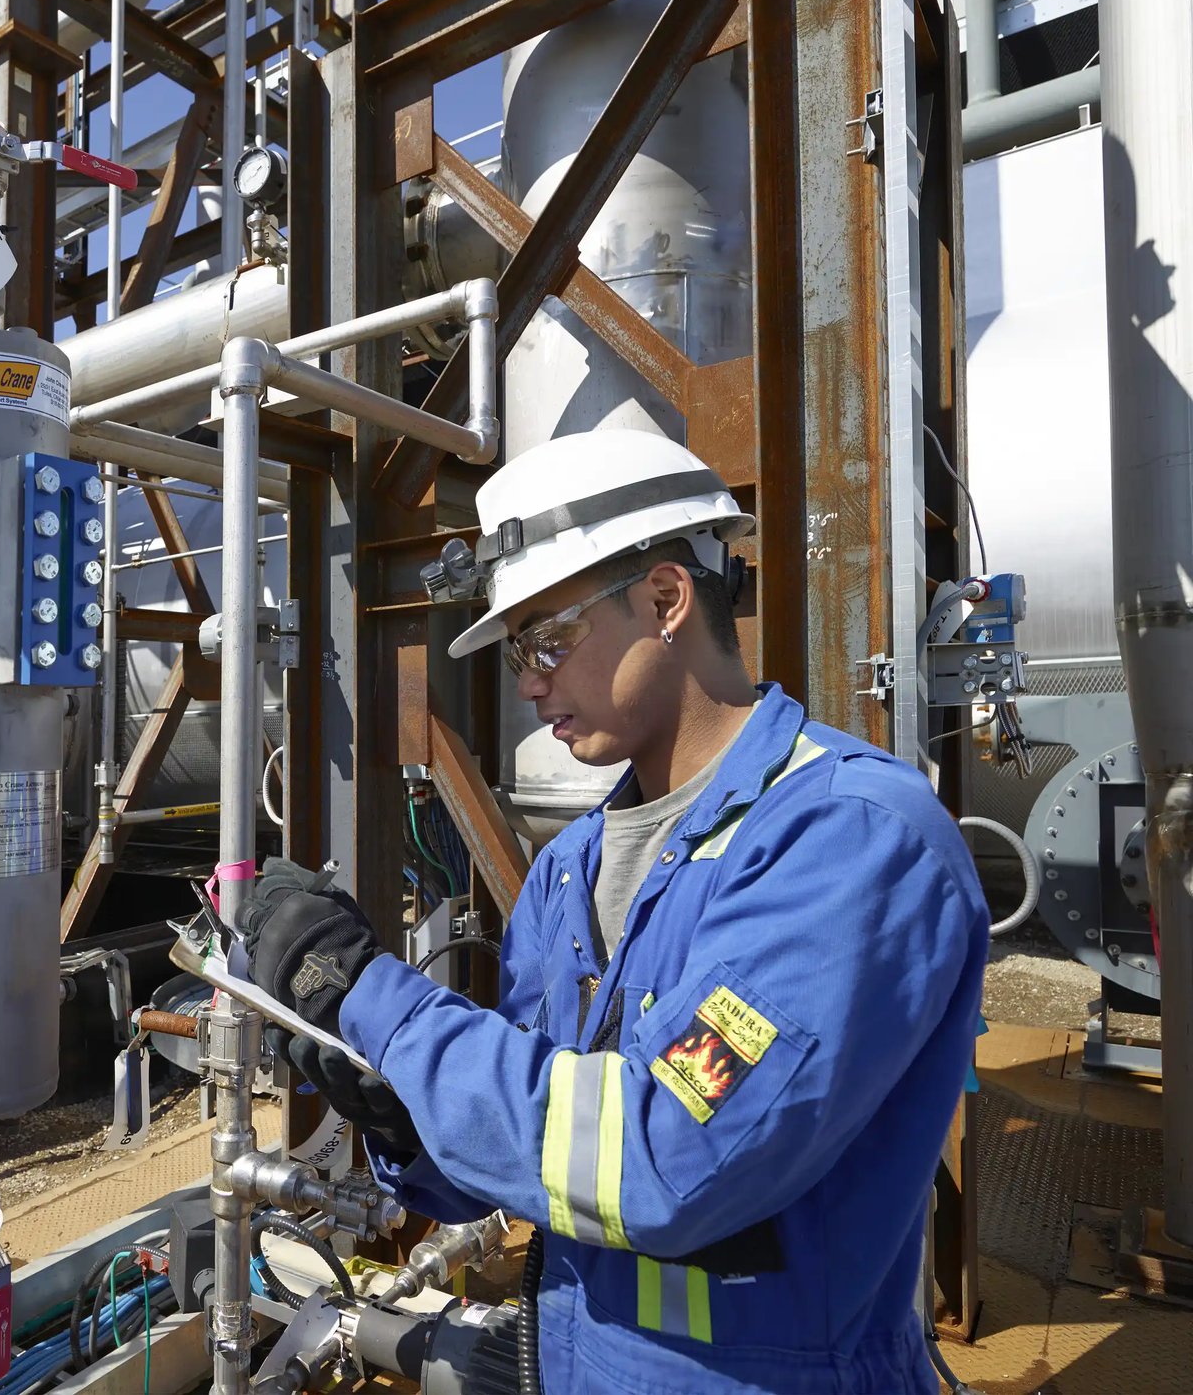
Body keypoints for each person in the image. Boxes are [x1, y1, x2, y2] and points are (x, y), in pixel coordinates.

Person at [237, 429, 988, 1394]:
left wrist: (377, 999)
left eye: (549, 638)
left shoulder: (852, 841)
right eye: (517, 651)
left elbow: (663, 1157)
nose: (529, 680)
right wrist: (403, 1117)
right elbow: (540, 1158)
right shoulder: (569, 871)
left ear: (667, 600)